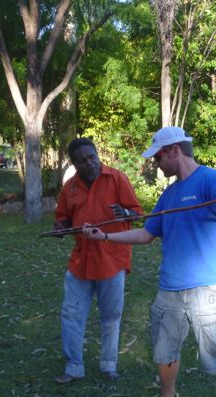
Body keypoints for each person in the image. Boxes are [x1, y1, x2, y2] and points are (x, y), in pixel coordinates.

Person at [83, 126, 216, 397]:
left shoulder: (210, 180)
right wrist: (104, 237)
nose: (157, 164)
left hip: (208, 289)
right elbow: (147, 235)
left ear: (174, 151)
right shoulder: (168, 196)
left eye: (159, 157)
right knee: (165, 352)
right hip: (170, 287)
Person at [52, 137, 143, 384]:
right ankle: (73, 367)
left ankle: (108, 365)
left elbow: (136, 212)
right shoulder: (70, 187)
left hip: (112, 259)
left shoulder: (117, 178)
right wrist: (60, 228)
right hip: (81, 261)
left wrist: (124, 213)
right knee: (71, 314)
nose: (90, 163)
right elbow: (63, 218)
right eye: (83, 161)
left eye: (92, 157)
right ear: (75, 164)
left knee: (111, 315)